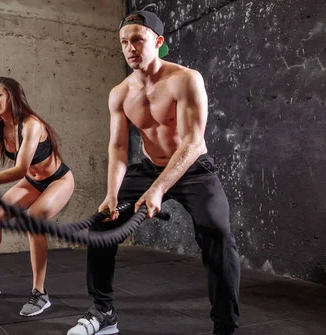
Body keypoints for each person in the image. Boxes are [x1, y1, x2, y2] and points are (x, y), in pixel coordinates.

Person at [67, 10, 241, 335]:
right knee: (101, 229)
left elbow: (192, 142)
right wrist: (112, 195)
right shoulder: (120, 93)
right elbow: (118, 149)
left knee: (217, 233)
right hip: (148, 167)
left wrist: (159, 190)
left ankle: (225, 327)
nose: (130, 48)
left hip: (192, 168)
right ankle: (103, 313)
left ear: (158, 42)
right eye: (124, 42)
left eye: (137, 40)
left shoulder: (186, 79)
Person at [0, 76, 75, 317]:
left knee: (35, 217)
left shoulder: (31, 125)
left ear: (13, 97)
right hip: (32, 182)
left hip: (59, 180)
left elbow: (19, 169)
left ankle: (40, 293)